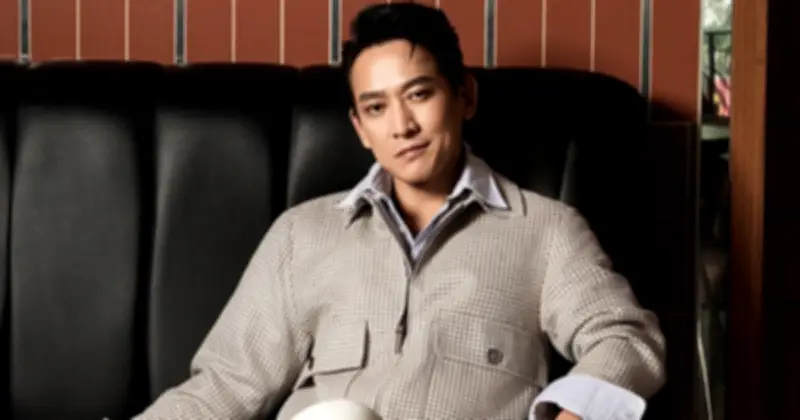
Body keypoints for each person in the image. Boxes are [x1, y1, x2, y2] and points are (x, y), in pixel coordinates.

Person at [134, 3, 666, 420]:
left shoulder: (547, 231)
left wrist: (575, 413)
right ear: (360, 128)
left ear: (465, 96)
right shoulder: (301, 234)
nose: (402, 126)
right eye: (376, 107)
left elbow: (625, 339)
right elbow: (224, 387)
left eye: (419, 95)